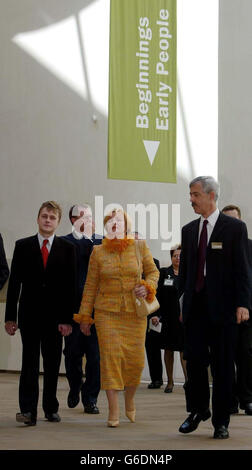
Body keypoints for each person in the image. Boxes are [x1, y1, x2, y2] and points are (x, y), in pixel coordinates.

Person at [178, 176, 250, 439]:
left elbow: (243, 269)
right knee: (194, 361)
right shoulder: (188, 230)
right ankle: (198, 410)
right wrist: (181, 302)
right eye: (190, 194)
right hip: (195, 309)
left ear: (211, 196)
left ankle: (221, 421)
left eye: (195, 194)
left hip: (224, 310)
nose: (191, 200)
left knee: (222, 367)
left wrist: (243, 303)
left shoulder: (234, 228)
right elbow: (184, 273)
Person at [74, 209, 159, 427]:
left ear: (126, 225)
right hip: (106, 313)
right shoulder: (98, 252)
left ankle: (129, 399)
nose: (114, 224)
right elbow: (91, 286)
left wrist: (147, 287)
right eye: (110, 221)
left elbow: (153, 272)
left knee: (135, 362)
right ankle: (113, 409)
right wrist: (85, 316)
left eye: (118, 220)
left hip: (134, 314)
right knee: (110, 360)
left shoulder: (139, 247)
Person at [5, 201, 77, 426]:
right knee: (29, 363)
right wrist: (10, 317)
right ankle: (27, 410)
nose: (47, 220)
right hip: (29, 316)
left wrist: (67, 319)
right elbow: (14, 283)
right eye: (44, 216)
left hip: (56, 319)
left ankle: (50, 408)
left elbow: (70, 287)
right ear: (38, 219)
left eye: (52, 217)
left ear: (58, 222)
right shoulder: (22, 246)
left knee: (53, 364)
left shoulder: (68, 248)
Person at [62, 204, 102, 414]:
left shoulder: (102, 242)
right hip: (73, 311)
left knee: (95, 357)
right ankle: (75, 385)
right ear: (72, 220)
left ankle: (90, 398)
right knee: (72, 354)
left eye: (89, 216)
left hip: (98, 311)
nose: (87, 220)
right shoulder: (64, 243)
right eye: (82, 216)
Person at [222, 204, 252, 416]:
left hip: (248, 311)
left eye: (235, 220)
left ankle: (247, 399)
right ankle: (229, 401)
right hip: (223, 312)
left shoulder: (250, 247)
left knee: (246, 356)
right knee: (224, 358)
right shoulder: (216, 247)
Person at [132, 232, 163, 390]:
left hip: (150, 311)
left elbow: (159, 289)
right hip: (130, 311)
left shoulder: (153, 262)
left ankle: (156, 379)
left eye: (139, 240)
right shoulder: (124, 260)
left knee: (152, 348)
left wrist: (157, 314)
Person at [157, 245, 187, 393]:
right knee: (168, 350)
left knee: (184, 350)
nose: (178, 258)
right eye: (175, 255)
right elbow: (158, 296)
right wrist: (157, 315)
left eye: (180, 256)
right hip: (168, 318)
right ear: (171, 257)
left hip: (184, 318)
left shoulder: (189, 273)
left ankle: (188, 382)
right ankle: (170, 381)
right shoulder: (164, 273)